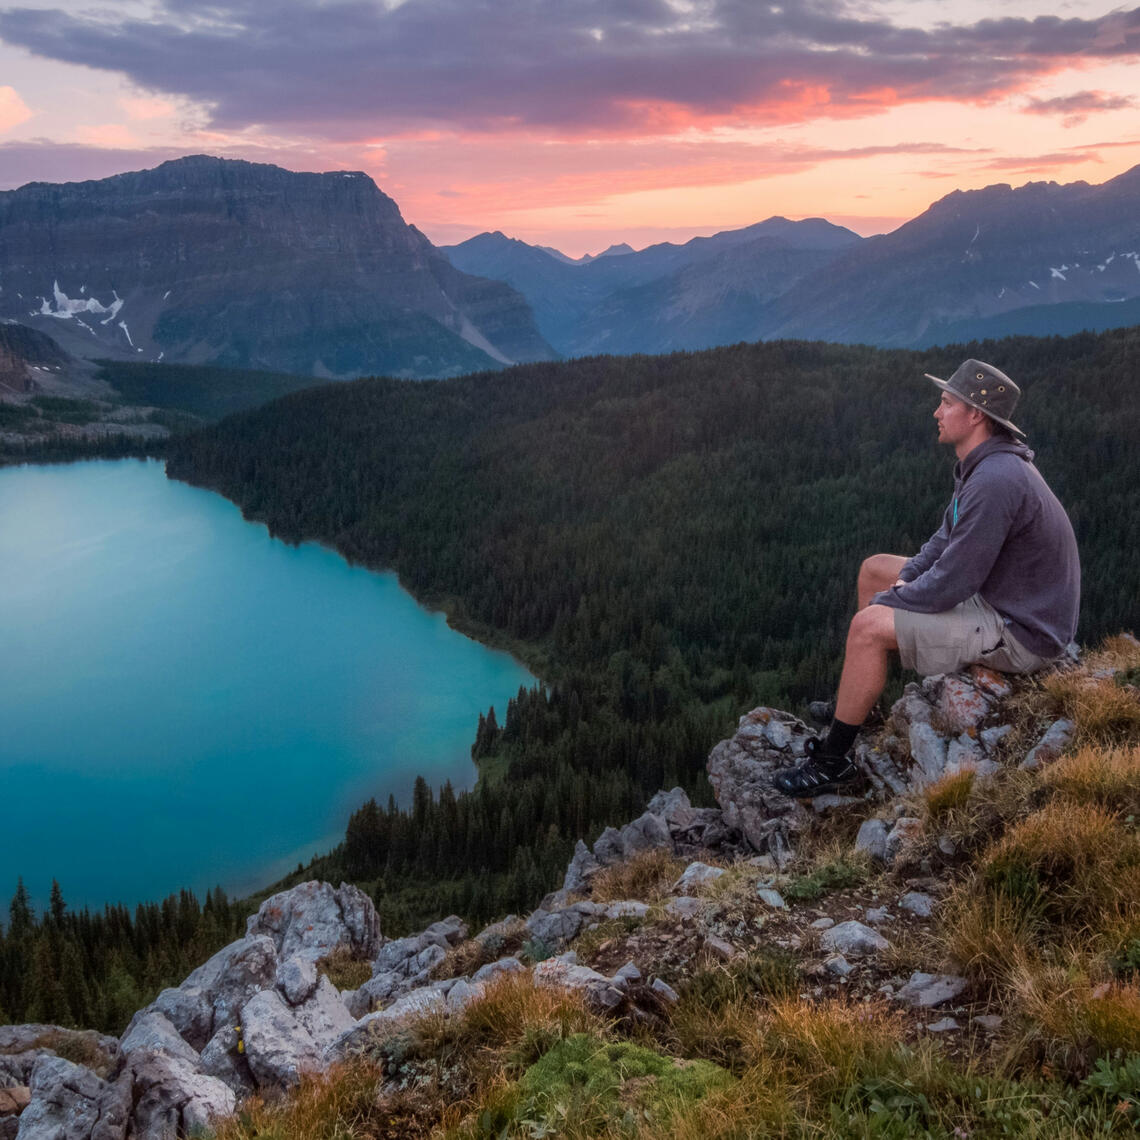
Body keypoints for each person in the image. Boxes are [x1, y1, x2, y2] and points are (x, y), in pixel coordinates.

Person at [774, 358, 1080, 798]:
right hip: (1003, 599)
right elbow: (942, 543)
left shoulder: (996, 479)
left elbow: (954, 581)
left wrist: (897, 601)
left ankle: (832, 762)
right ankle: (866, 704)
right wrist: (899, 585)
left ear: (975, 414)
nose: (936, 412)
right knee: (874, 569)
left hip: (1022, 631)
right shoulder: (981, 466)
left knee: (866, 627)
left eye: (945, 403)